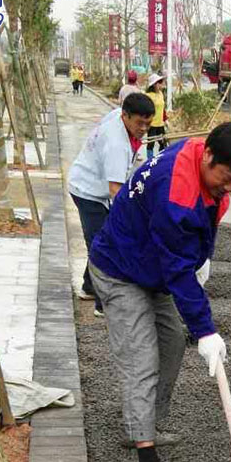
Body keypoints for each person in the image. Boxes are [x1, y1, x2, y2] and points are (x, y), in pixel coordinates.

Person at [88, 122, 231, 462]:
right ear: (211, 157)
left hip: (150, 268)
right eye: (228, 178)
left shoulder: (199, 152)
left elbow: (186, 254)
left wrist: (202, 258)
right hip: (120, 269)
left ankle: (144, 422)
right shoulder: (176, 196)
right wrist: (205, 329)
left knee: (170, 343)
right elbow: (178, 269)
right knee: (141, 360)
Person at [68, 92, 155, 317]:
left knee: (102, 239)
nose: (144, 128)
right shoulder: (117, 144)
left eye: (148, 123)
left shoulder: (118, 115)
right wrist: (133, 219)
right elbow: (116, 190)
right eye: (139, 123)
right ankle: (102, 303)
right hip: (88, 192)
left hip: (89, 182)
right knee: (103, 246)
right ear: (125, 116)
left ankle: (88, 287)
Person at [145, 73, 169, 161]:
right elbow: (146, 110)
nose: (161, 85)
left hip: (160, 124)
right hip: (152, 124)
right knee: (151, 143)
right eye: (159, 83)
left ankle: (161, 159)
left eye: (161, 82)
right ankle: (150, 161)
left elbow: (163, 109)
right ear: (154, 84)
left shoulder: (161, 94)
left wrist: (165, 119)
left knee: (163, 143)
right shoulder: (148, 96)